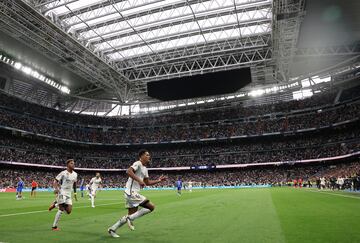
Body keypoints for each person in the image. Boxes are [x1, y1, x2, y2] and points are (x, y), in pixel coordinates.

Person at [108, 149, 167, 238]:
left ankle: (112, 229)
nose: (149, 156)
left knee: (130, 215)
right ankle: (130, 219)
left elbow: (147, 183)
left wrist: (159, 180)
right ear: (141, 156)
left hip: (132, 193)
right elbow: (128, 171)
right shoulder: (138, 163)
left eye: (149, 155)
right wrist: (139, 180)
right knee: (151, 207)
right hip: (131, 192)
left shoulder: (145, 169)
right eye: (147, 155)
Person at [50, 159, 78, 231]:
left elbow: (75, 184)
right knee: (61, 209)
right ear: (68, 165)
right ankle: (54, 226)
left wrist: (75, 193)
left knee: (68, 211)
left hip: (69, 193)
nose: (73, 164)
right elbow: (55, 181)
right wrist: (56, 189)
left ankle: (55, 204)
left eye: (73, 163)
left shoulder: (75, 174)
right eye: (71, 163)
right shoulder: (63, 173)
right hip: (62, 192)